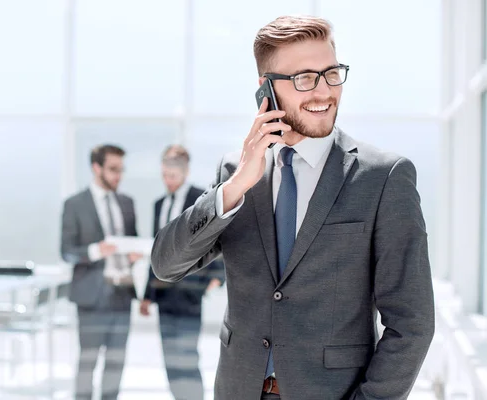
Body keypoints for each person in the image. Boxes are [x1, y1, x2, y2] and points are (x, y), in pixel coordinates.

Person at [150, 15, 434, 400]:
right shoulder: (236, 172)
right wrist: (234, 187)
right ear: (266, 88)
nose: (323, 92)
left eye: (331, 74)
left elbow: (412, 322)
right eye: (304, 78)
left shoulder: (384, 177)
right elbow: (166, 265)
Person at [140, 145, 224, 400]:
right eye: (164, 175)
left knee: (187, 357)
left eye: (173, 176)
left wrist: (217, 278)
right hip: (164, 296)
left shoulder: (201, 198)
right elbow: (157, 253)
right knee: (170, 360)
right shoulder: (159, 204)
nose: (168, 181)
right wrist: (146, 294)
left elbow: (218, 239)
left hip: (190, 293)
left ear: (185, 172)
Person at [60, 144, 142, 400]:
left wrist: (134, 255)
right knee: (88, 361)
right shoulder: (74, 204)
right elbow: (67, 251)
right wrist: (96, 250)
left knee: (116, 362)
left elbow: (134, 240)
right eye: (112, 169)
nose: (118, 175)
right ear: (96, 168)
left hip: (122, 292)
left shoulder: (127, 203)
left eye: (121, 170)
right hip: (92, 296)